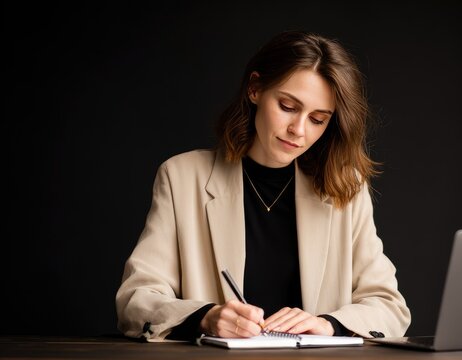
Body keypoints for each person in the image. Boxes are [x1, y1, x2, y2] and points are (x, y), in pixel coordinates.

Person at [115, 30, 411, 342]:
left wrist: (327, 324)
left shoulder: (346, 187)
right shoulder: (182, 177)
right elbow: (135, 299)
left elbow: (390, 308)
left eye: (318, 119)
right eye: (287, 106)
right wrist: (206, 317)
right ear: (255, 89)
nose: (298, 130)